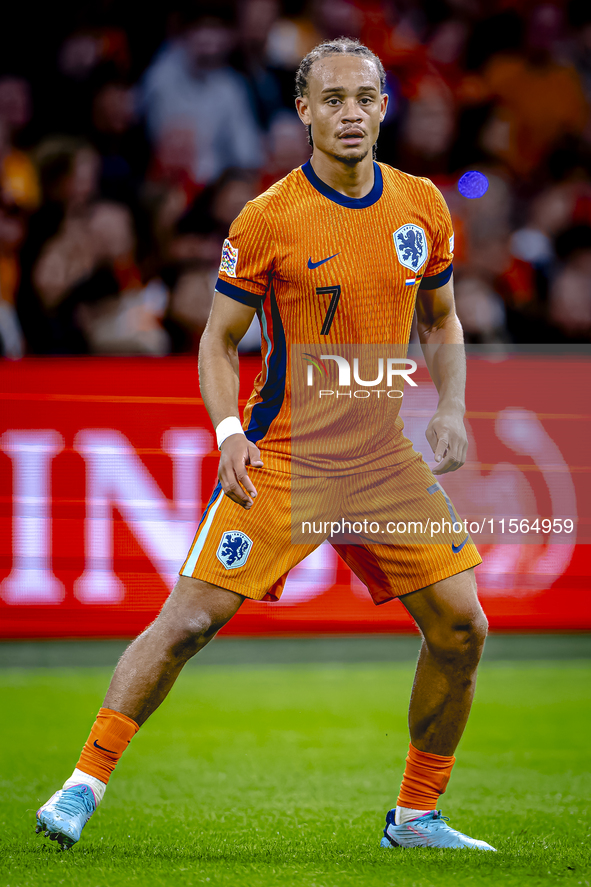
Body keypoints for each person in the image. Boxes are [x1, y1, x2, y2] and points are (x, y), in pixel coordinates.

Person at [36, 38, 495, 852]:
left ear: (384, 106)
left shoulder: (422, 205)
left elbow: (442, 319)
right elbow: (217, 341)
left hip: (379, 456)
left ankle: (416, 817)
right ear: (303, 112)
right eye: (332, 100)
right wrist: (226, 435)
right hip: (284, 455)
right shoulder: (267, 219)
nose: (349, 113)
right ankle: (82, 784)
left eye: (364, 97)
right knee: (187, 623)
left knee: (463, 625)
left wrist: (453, 405)